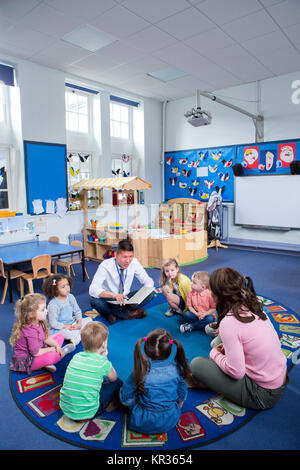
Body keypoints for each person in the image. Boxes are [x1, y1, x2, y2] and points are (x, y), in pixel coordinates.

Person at [190, 267, 288, 410]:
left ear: (218, 295)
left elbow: (236, 372)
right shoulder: (252, 305)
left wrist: (215, 354)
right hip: (279, 376)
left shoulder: (229, 323)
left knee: (196, 364)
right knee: (217, 342)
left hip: (262, 394)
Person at [119, 328, 190, 434]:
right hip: (171, 419)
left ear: (146, 349)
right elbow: (182, 394)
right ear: (170, 349)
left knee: (123, 388)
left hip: (142, 421)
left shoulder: (141, 371)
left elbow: (125, 398)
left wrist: (132, 406)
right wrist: (177, 406)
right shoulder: (176, 369)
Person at [60, 321, 123, 420]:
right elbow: (113, 378)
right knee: (118, 382)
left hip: (65, 408)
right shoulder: (102, 362)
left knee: (94, 380)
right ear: (104, 344)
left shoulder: (76, 356)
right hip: (88, 413)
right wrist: (105, 358)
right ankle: (107, 406)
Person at [89, 238, 155, 324]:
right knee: (95, 302)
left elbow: (148, 282)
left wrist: (137, 299)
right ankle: (129, 314)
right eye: (125, 257)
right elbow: (93, 289)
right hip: (110, 299)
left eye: (130, 256)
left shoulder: (134, 262)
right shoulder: (105, 265)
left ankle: (113, 314)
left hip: (126, 298)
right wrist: (114, 295)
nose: (128, 261)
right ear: (116, 255)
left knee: (150, 294)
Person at [9, 293, 75, 374]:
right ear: (31, 314)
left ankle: (47, 360)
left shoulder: (38, 322)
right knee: (53, 356)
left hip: (38, 348)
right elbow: (35, 353)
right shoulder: (30, 332)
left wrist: (56, 345)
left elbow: (46, 337)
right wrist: (51, 349)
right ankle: (61, 353)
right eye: (43, 309)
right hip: (29, 359)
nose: (46, 311)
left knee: (60, 336)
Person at [42, 274, 92, 346]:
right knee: (67, 333)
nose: (67, 288)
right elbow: (53, 323)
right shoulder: (53, 305)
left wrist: (79, 323)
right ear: (56, 290)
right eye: (63, 287)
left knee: (89, 320)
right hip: (60, 328)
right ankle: (76, 337)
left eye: (67, 285)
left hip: (72, 323)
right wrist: (66, 326)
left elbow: (77, 311)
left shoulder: (70, 297)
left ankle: (78, 334)